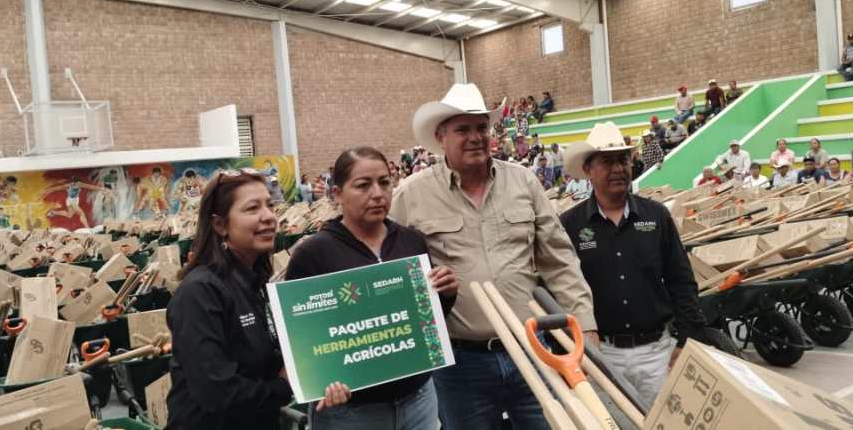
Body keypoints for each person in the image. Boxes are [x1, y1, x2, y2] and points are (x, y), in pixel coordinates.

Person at [390, 83, 597, 430]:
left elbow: (559, 261)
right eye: (463, 129)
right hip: (461, 363)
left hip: (534, 349)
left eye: (481, 128)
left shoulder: (523, 182)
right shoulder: (411, 195)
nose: (475, 137)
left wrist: (585, 326)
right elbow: (390, 268)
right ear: (441, 138)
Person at [286, 147, 459, 429]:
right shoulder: (314, 253)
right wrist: (321, 381)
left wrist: (447, 292)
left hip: (418, 400)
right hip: (351, 412)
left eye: (384, 182)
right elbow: (300, 339)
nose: (377, 194)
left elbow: (425, 320)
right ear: (338, 193)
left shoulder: (411, 241)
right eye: (363, 185)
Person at [559, 121, 705, 406]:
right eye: (607, 162)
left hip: (657, 354)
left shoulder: (656, 216)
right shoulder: (570, 225)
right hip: (600, 354)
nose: (618, 169)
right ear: (588, 170)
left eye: (623, 160)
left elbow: (681, 280)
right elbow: (561, 289)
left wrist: (687, 340)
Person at [166, 169, 292, 429]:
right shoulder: (199, 293)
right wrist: (282, 386)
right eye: (252, 208)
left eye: (269, 205)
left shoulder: (256, 281)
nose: (269, 216)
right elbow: (218, 392)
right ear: (220, 225)